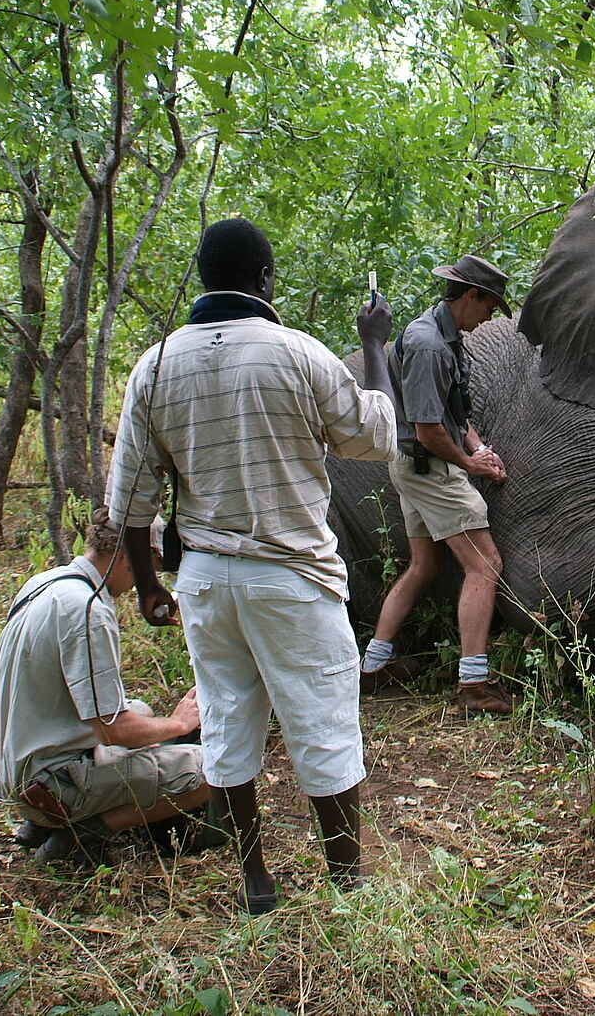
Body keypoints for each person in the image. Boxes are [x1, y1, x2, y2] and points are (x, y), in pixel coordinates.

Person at [107, 217, 397, 912]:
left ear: (204, 277)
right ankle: (347, 884)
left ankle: (256, 882)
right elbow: (378, 436)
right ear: (266, 279)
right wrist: (374, 346)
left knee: (230, 726)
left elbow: (131, 501)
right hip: (293, 576)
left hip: (205, 578)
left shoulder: (155, 365)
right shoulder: (296, 353)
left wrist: (151, 588)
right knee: (323, 724)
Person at [0, 508, 210, 865]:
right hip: (46, 782)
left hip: (9, 765)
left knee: (141, 710)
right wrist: (179, 724)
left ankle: (39, 823)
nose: (147, 578)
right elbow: (112, 729)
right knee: (211, 770)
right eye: (149, 564)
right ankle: (81, 832)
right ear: (127, 555)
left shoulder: (48, 583)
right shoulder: (87, 611)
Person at [360, 255, 514, 715]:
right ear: (471, 296)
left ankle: (373, 667)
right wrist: (471, 464)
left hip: (412, 465)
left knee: (423, 566)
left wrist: (478, 446)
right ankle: (473, 686)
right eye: (490, 306)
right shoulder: (429, 344)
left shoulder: (444, 333)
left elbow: (454, 411)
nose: (490, 317)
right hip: (428, 468)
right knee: (485, 564)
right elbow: (429, 429)